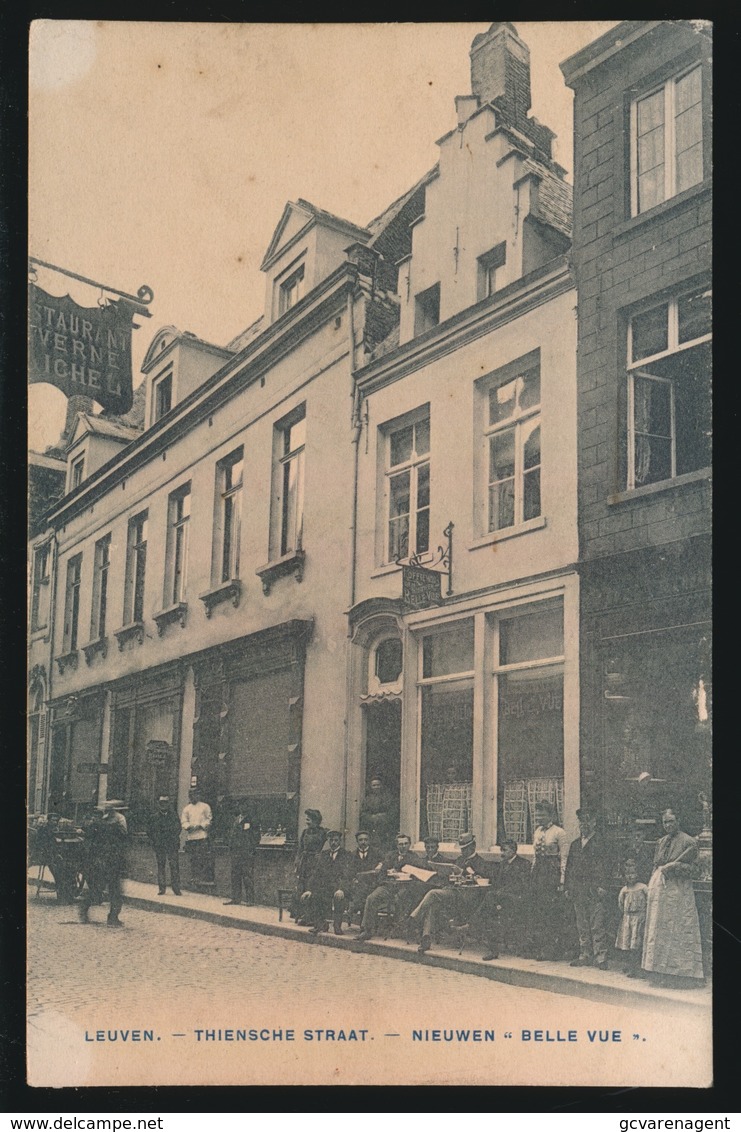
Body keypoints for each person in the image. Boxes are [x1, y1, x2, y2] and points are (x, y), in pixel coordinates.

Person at [642, 808, 704, 984]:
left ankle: (679, 975)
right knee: (660, 931)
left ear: (678, 821)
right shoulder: (661, 842)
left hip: (679, 892)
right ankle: (660, 972)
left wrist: (675, 867)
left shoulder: (689, 842)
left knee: (677, 931)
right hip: (660, 893)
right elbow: (656, 865)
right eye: (665, 822)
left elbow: (695, 870)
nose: (668, 825)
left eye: (671, 821)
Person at [407, 831, 493, 954]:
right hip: (453, 894)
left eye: (465, 849)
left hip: (467, 898)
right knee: (432, 905)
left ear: (473, 847)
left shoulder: (481, 862)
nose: (463, 852)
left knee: (432, 893)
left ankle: (414, 917)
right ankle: (426, 938)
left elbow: (482, 882)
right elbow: (452, 878)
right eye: (462, 849)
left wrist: (463, 872)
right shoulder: (459, 859)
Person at [563, 806, 611, 970]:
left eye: (587, 820)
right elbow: (569, 868)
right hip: (578, 890)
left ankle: (601, 956)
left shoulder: (601, 843)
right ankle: (585, 954)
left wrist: (603, 885)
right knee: (582, 924)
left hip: (594, 890)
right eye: (581, 821)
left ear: (594, 822)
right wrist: (567, 887)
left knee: (597, 924)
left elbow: (606, 867)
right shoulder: (575, 844)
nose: (584, 824)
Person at [475, 838, 531, 961]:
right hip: (502, 900)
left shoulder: (524, 864)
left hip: (517, 899)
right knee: (491, 913)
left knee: (490, 899)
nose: (502, 853)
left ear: (513, 851)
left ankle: (471, 924)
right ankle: (493, 950)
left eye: (504, 850)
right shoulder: (502, 864)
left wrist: (502, 893)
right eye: (501, 850)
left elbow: (522, 885)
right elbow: (496, 882)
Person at [529, 799, 569, 961]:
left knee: (551, 912)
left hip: (552, 874)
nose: (539, 817)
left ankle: (553, 949)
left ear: (551, 814)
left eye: (542, 814)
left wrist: (562, 880)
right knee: (539, 910)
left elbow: (564, 858)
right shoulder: (537, 831)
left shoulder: (559, 832)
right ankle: (541, 947)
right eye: (537, 814)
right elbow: (535, 856)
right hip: (539, 873)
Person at [356, 833, 415, 941]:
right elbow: (382, 872)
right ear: (397, 845)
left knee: (400, 898)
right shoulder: (390, 855)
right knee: (371, 898)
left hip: (404, 887)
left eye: (406, 843)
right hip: (388, 886)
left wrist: (402, 873)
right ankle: (367, 930)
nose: (403, 846)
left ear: (410, 844)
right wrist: (388, 872)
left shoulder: (414, 857)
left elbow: (416, 875)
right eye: (400, 844)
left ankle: (399, 928)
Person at [79, 800, 128, 927]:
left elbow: (89, 837)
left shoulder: (99, 822)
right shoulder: (118, 822)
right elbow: (124, 837)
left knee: (105, 890)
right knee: (109, 890)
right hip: (108, 861)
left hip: (105, 861)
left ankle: (87, 911)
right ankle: (111, 917)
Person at [301, 830, 355, 934]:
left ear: (340, 841)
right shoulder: (324, 855)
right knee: (315, 895)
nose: (333, 843)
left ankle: (337, 926)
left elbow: (347, 875)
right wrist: (309, 890)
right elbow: (316, 874)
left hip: (340, 887)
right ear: (328, 842)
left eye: (336, 840)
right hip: (326, 887)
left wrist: (341, 889)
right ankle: (320, 925)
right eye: (331, 840)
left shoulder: (346, 855)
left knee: (339, 897)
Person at [615, 858, 649, 978]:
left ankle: (639, 967)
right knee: (628, 942)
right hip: (628, 919)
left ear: (638, 874)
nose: (630, 877)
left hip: (639, 919)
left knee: (638, 943)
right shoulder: (624, 890)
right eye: (628, 874)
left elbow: (649, 901)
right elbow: (620, 903)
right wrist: (626, 915)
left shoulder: (643, 887)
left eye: (633, 873)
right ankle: (630, 965)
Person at [293, 809, 328, 922]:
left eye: (309, 818)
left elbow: (332, 839)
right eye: (306, 818)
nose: (306, 820)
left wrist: (320, 854)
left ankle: (310, 915)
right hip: (305, 862)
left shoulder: (322, 832)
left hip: (316, 863)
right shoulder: (304, 832)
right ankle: (301, 913)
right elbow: (300, 849)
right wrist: (297, 862)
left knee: (311, 885)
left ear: (315, 820)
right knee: (302, 885)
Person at [224, 804, 261, 906]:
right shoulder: (236, 819)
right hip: (235, 852)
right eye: (240, 805)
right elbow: (231, 834)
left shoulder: (252, 819)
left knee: (247, 875)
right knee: (235, 875)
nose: (242, 808)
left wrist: (251, 848)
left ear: (248, 807)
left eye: (244, 805)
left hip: (246, 852)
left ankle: (250, 900)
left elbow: (257, 836)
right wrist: (231, 846)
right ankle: (236, 898)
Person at [148, 795, 182, 896]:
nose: (163, 805)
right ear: (158, 804)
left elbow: (178, 829)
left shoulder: (174, 816)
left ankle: (176, 888)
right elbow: (150, 831)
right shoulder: (154, 817)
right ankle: (161, 888)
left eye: (165, 803)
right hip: (159, 845)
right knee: (161, 866)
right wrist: (155, 841)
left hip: (172, 845)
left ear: (169, 804)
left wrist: (171, 838)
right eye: (161, 803)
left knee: (174, 866)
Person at [180, 787, 214, 886]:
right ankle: (194, 878)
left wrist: (201, 826)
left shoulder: (205, 807)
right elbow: (184, 821)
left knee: (203, 857)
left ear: (199, 795)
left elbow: (209, 819)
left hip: (202, 836)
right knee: (193, 858)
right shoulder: (187, 808)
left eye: (195, 794)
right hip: (191, 837)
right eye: (191, 795)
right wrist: (188, 827)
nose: (193, 797)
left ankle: (203, 879)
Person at [347, 831, 383, 923]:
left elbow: (385, 861)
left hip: (373, 883)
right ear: (357, 841)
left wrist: (380, 864)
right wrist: (353, 879)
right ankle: (365, 925)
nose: (363, 842)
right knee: (362, 890)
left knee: (364, 892)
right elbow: (349, 871)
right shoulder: (352, 855)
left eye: (366, 840)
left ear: (369, 841)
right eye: (361, 840)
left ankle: (353, 907)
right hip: (357, 885)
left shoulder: (377, 852)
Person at [359, 777, 398, 854]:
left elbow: (393, 813)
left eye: (378, 785)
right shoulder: (367, 799)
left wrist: (381, 817)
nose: (376, 787)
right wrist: (372, 818)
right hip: (372, 828)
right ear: (370, 787)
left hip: (385, 829)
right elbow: (363, 814)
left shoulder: (388, 798)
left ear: (381, 785)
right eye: (374, 785)